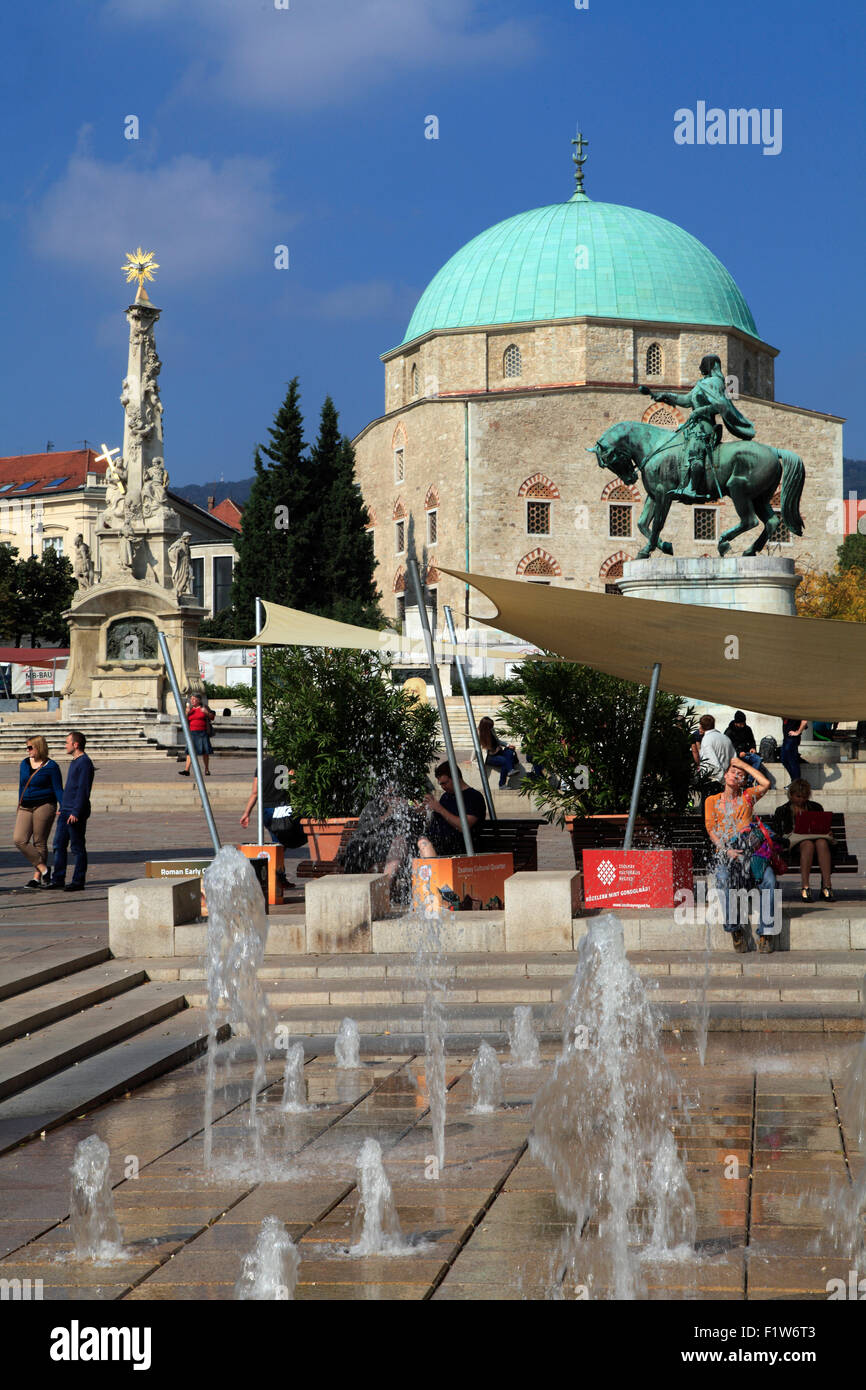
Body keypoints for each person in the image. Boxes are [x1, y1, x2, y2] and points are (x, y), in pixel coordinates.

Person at [640, 353, 755, 503]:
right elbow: (686, 400)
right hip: (693, 426)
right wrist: (666, 395)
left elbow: (721, 406)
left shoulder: (715, 382)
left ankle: (692, 489)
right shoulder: (701, 384)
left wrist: (701, 411)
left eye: (704, 364)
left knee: (695, 451)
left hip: (704, 427)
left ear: (710, 366)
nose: (701, 367)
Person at [705, 757, 777, 953]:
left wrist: (744, 765)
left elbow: (766, 783)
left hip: (751, 853)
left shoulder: (748, 797)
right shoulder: (711, 801)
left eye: (740, 775)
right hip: (726, 850)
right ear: (725, 775)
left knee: (770, 881)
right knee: (722, 878)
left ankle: (766, 933)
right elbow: (711, 830)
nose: (736, 775)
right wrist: (726, 850)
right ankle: (734, 930)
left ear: (743, 781)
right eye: (733, 771)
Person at [773, 778, 834, 903]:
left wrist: (827, 831)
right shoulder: (782, 810)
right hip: (795, 844)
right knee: (808, 844)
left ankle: (827, 886)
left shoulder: (815, 807)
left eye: (804, 797)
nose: (801, 800)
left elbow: (824, 825)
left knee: (821, 842)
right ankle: (805, 887)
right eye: (798, 796)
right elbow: (777, 832)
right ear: (791, 795)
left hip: (816, 840)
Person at [14, 736, 63, 888]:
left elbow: (58, 788)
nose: (27, 751)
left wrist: (63, 806)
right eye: (27, 747)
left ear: (39, 748)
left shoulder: (51, 766)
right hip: (25, 806)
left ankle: (36, 878)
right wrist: (19, 802)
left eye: (30, 747)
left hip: (44, 805)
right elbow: (22, 785)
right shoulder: (24, 763)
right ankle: (44, 869)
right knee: (19, 839)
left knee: (39, 842)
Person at [49, 731, 95, 892]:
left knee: (77, 847)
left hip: (75, 812)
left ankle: (78, 881)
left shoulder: (84, 763)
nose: (65, 745)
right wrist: (63, 808)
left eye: (67, 742)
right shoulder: (75, 761)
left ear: (75, 745)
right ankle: (58, 878)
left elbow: (83, 790)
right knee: (58, 844)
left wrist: (76, 811)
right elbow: (70, 789)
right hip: (65, 811)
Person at [417, 762, 486, 858]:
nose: (443, 787)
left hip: (459, 847)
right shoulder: (446, 796)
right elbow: (436, 819)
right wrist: (424, 809)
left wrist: (439, 809)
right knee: (401, 840)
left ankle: (433, 872)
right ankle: (389, 873)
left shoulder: (474, 797)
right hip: (438, 842)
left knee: (422, 842)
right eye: (441, 784)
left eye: (445, 783)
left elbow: (464, 826)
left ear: (456, 778)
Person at [693, 714, 735, 804]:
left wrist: (722, 779)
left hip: (713, 781)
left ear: (701, 726)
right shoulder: (725, 738)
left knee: (710, 812)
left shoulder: (707, 739)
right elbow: (734, 760)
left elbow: (712, 762)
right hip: (725, 780)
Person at [477, 716, 518, 788]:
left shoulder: (491, 730)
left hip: (497, 751)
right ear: (486, 727)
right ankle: (502, 784)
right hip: (488, 756)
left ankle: (510, 769)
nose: (492, 728)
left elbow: (498, 741)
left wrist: (508, 745)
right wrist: (471, 760)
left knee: (510, 751)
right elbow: (477, 748)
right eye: (490, 726)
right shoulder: (479, 734)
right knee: (504, 761)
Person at [179, 694, 215, 776]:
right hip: (192, 733)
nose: (192, 700)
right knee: (189, 751)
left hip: (202, 732)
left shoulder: (204, 708)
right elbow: (183, 720)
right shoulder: (190, 709)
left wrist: (206, 713)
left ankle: (206, 769)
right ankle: (186, 770)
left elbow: (212, 717)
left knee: (205, 752)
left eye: (194, 699)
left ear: (199, 700)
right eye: (191, 699)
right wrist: (186, 713)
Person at [780, 718, 808, 784]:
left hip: (792, 739)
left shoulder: (797, 710)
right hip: (786, 739)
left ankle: (797, 783)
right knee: (784, 760)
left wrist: (798, 732)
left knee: (792, 761)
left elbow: (804, 721)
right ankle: (794, 781)